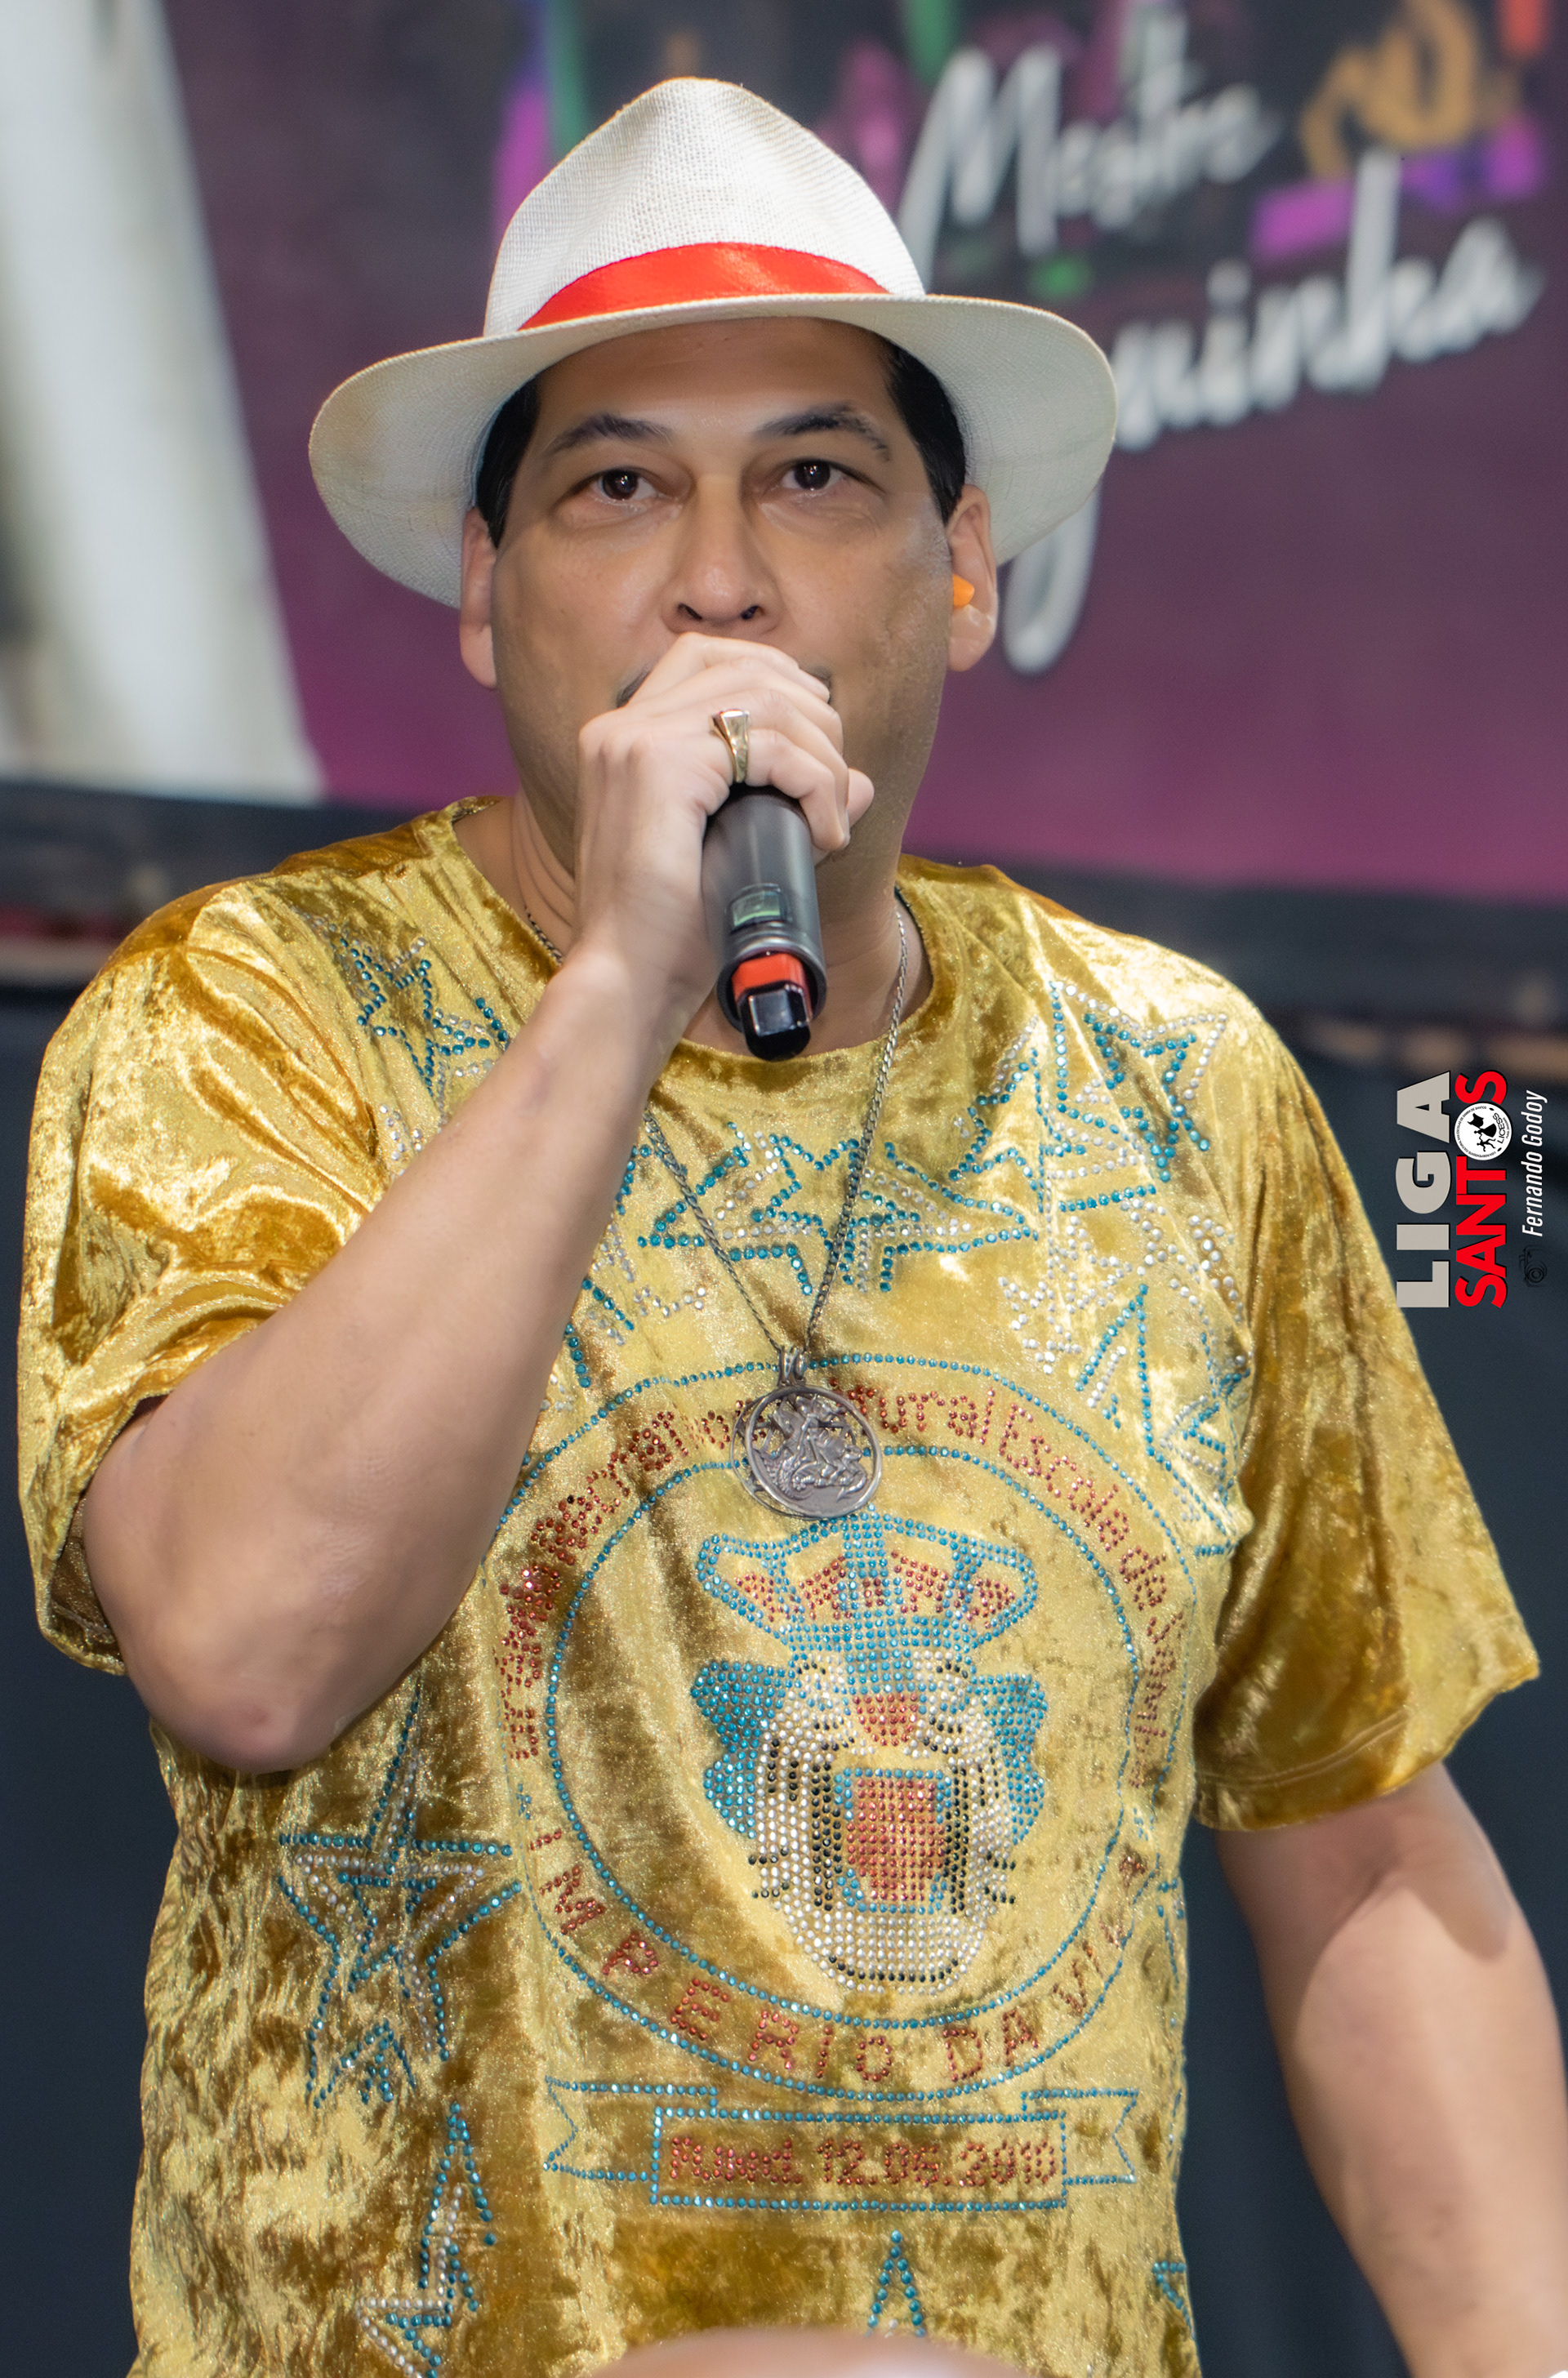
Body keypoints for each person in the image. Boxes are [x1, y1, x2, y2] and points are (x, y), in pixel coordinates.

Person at [17, 75, 1568, 2378]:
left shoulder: (1186, 1085)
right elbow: (244, 1648)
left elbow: (1362, 1845)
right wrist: (622, 983)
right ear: (484, 592)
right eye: (617, 486)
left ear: (967, 566)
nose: (720, 577)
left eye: (816, 479)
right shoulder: (248, 1015)